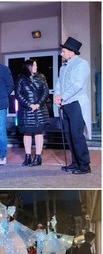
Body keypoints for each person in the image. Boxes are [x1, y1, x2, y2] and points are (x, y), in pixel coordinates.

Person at [54, 37, 91, 174]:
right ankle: (75, 163)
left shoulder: (82, 64)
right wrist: (57, 96)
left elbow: (77, 85)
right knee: (69, 135)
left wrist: (62, 96)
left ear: (71, 52)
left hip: (76, 103)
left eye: (63, 51)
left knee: (77, 135)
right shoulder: (63, 67)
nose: (61, 54)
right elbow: (59, 84)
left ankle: (84, 165)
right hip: (65, 104)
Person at [15, 59, 50, 166]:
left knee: (39, 133)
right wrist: (29, 105)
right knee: (27, 133)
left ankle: (38, 157)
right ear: (28, 66)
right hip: (26, 111)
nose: (36, 67)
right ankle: (28, 156)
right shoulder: (21, 78)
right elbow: (18, 94)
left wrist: (38, 104)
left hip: (40, 110)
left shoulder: (41, 77)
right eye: (34, 65)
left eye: (36, 65)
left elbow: (46, 92)